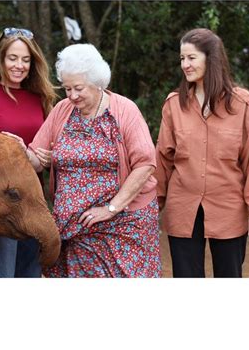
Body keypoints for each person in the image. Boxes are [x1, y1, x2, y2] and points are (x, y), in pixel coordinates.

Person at [23, 43, 161, 277]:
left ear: (97, 82)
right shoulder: (62, 110)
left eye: (78, 88)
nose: (72, 96)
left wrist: (111, 208)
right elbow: (36, 159)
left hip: (123, 224)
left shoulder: (125, 110)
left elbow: (145, 164)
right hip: (73, 229)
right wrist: (19, 151)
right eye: (67, 88)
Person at [155, 28, 249, 278]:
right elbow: (162, 160)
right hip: (183, 210)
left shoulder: (242, 104)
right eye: (182, 59)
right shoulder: (174, 105)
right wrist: (153, 206)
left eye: (191, 58)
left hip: (229, 210)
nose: (185, 64)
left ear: (210, 58)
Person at [0, 27, 57, 278]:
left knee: (31, 272)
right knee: (3, 274)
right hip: (0, 204)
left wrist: (45, 157)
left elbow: (46, 145)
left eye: (26, 60)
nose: (19, 65)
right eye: (12, 58)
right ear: (0, 59)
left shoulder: (40, 98)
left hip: (34, 201)